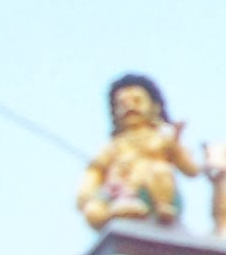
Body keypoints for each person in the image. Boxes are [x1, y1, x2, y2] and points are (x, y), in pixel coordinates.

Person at [76, 73, 200, 229]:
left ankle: (159, 209)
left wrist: (175, 145)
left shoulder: (163, 137)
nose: (130, 107)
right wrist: (86, 193)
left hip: (153, 194)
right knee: (92, 210)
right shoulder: (113, 146)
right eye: (122, 104)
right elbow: (95, 170)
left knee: (159, 169)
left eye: (137, 101)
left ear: (154, 107)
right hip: (119, 196)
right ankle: (121, 212)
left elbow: (192, 170)